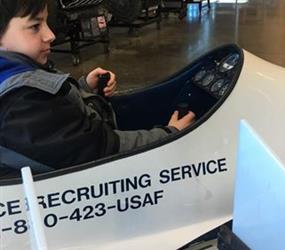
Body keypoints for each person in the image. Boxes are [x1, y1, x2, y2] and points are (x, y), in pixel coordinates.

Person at [0, 0, 195, 171]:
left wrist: (84, 88)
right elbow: (100, 149)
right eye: (35, 26)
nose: (50, 35)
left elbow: (55, 123)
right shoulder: (21, 101)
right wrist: (170, 135)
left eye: (46, 22)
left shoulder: (18, 76)